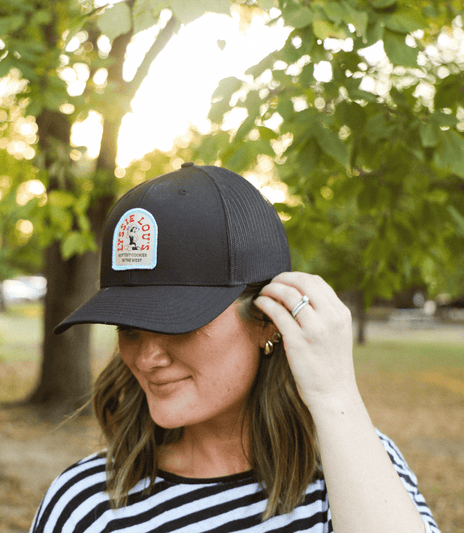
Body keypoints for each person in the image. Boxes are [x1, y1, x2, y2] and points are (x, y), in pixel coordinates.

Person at [30, 163, 440, 533]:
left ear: (267, 318)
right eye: (129, 327)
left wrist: (335, 396)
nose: (147, 357)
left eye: (179, 323)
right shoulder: (87, 505)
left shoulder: (353, 462)